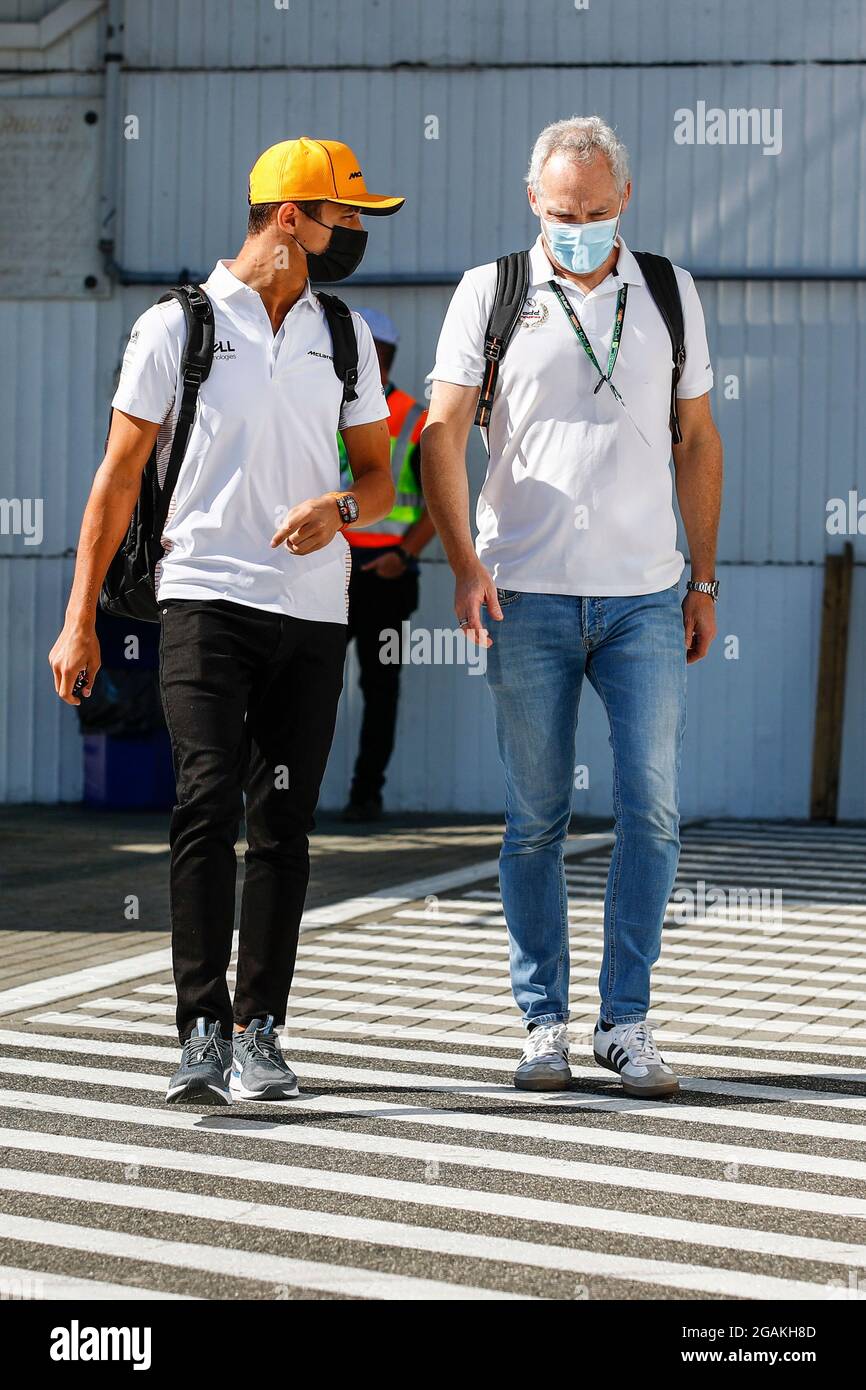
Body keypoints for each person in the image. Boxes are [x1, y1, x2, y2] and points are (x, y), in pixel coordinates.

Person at [49, 137, 404, 1106]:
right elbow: (117, 479)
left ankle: (263, 1031)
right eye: (348, 217)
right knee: (204, 804)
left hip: (311, 611)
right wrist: (78, 619)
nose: (358, 236)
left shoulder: (339, 336)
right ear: (289, 218)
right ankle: (200, 1028)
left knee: (282, 818)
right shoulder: (176, 328)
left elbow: (377, 477)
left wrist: (337, 509)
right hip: (203, 597)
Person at [422, 116, 722, 1097]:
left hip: (643, 596)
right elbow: (442, 431)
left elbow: (696, 440)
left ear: (622, 200)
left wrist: (704, 578)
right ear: (531, 201)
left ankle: (623, 1021)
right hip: (525, 595)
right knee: (535, 816)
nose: (579, 228)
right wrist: (464, 562)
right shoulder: (492, 291)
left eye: (594, 213)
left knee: (653, 808)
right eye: (560, 214)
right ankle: (541, 1022)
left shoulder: (668, 291)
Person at [338, 308, 435, 820]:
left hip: (384, 576)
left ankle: (365, 794)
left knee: (380, 689)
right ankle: (291, 795)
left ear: (379, 356)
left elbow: (443, 506)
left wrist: (404, 555)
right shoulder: (321, 410)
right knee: (308, 687)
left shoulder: (416, 420)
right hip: (326, 572)